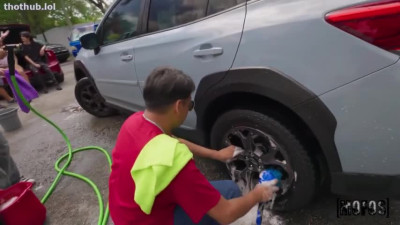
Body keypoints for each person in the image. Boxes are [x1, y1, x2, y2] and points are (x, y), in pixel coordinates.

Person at [108, 67, 279, 225]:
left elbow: (174, 139)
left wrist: (217, 154)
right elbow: (226, 213)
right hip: (146, 221)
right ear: (178, 106)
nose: (190, 109)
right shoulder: (172, 163)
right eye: (190, 105)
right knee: (230, 191)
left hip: (122, 211)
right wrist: (258, 194)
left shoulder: (135, 122)